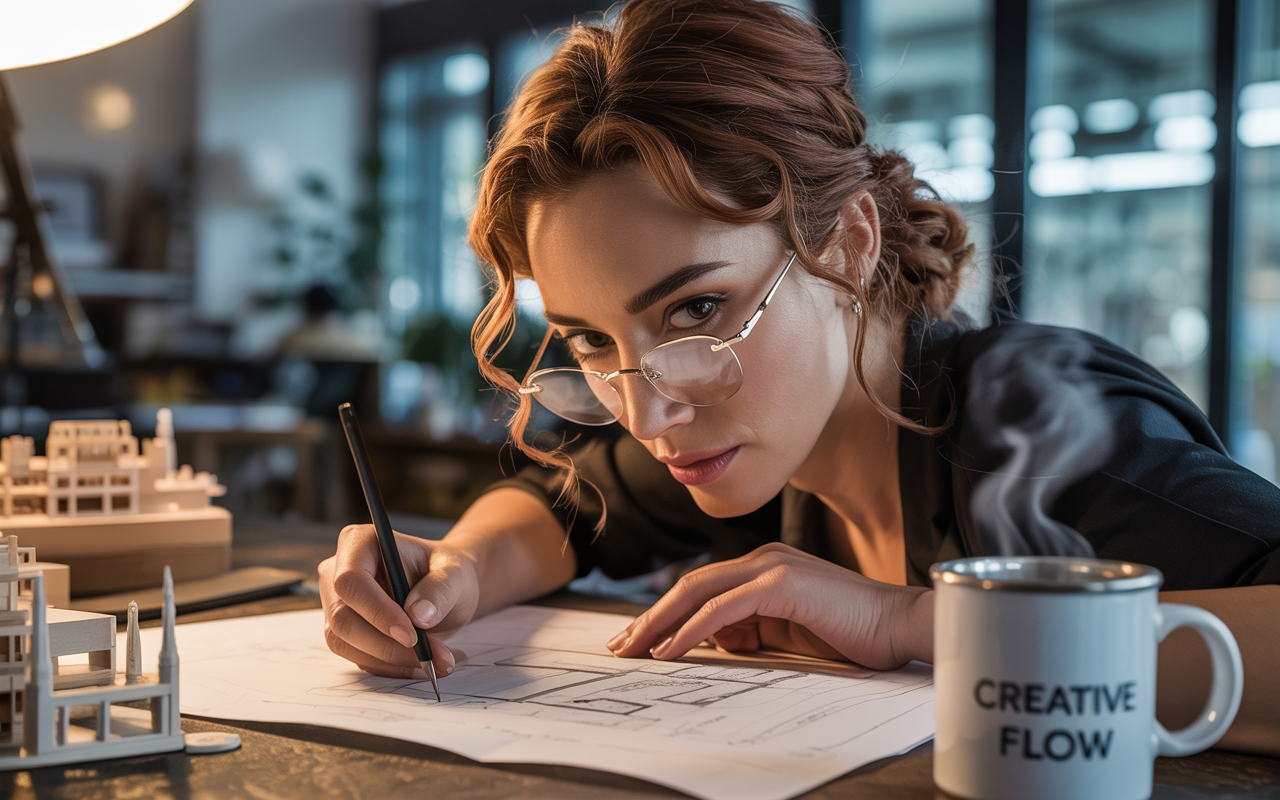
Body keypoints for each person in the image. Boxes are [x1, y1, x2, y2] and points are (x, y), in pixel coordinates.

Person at [320, 0, 1280, 753]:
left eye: (696, 310)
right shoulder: (747, 442)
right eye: (591, 344)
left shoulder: (1039, 423)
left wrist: (904, 620)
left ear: (849, 241)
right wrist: (457, 572)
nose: (649, 410)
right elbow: (567, 507)